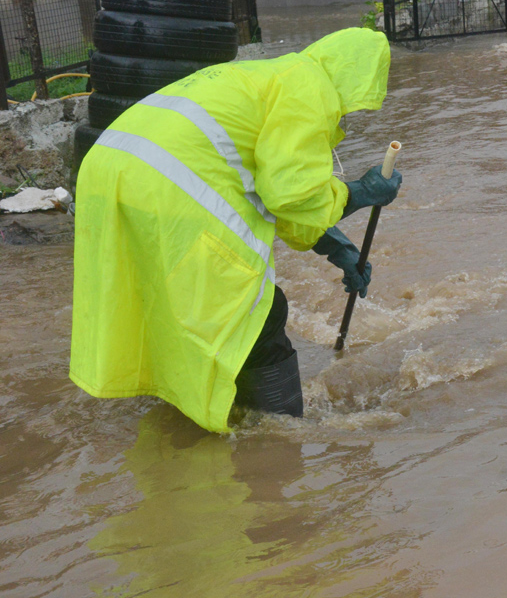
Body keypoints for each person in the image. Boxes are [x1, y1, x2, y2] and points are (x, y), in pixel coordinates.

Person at [69, 28, 403, 433]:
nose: (348, 114)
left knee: (166, 298)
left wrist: (337, 248)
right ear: (358, 82)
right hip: (166, 184)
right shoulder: (310, 89)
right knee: (253, 309)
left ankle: (187, 418)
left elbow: (270, 190)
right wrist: (362, 192)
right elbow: (291, 195)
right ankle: (279, 436)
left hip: (109, 172)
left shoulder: (267, 75)